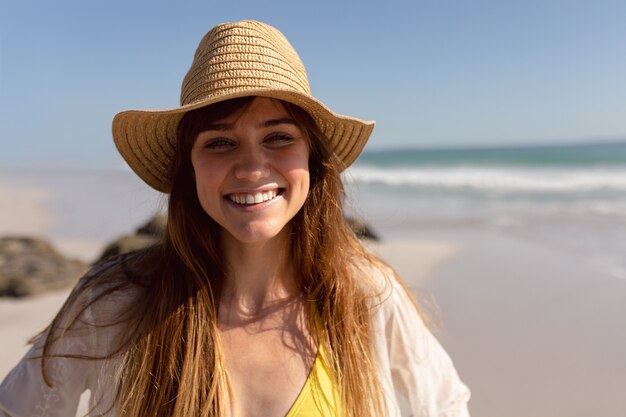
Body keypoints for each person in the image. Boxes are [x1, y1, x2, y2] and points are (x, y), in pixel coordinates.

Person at [0, 20, 470, 417]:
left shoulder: (365, 299)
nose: (250, 168)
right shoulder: (117, 303)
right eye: (220, 142)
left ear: (313, 159)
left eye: (278, 137)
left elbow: (447, 403)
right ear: (190, 167)